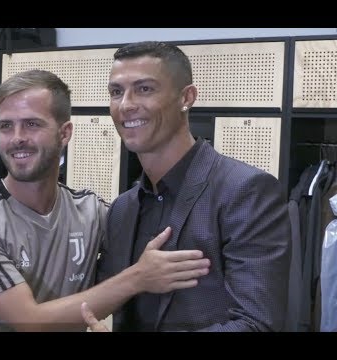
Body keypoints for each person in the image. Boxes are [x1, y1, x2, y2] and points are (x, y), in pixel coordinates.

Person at [0, 69, 211, 332]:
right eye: (6, 126)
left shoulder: (91, 211)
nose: (17, 138)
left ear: (65, 133)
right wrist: (138, 278)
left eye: (31, 124)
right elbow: (30, 322)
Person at [83, 41, 292, 332]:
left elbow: (257, 325)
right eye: (116, 92)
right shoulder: (123, 209)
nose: (126, 105)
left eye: (145, 89)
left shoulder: (246, 191)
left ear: (187, 97)